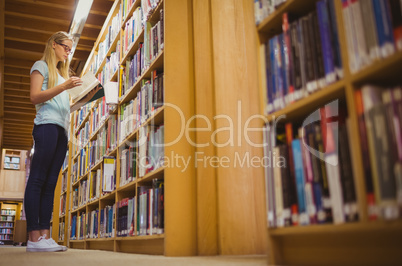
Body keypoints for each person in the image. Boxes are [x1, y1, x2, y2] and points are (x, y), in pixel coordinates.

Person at [24, 31, 100, 252]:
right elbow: (34, 96)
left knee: (50, 184)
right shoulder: (41, 66)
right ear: (54, 45)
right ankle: (33, 237)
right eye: (66, 47)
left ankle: (45, 236)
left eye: (71, 49)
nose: (69, 52)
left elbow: (63, 105)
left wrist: (83, 98)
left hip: (61, 130)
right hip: (46, 126)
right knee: (37, 179)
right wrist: (65, 87)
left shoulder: (61, 74)